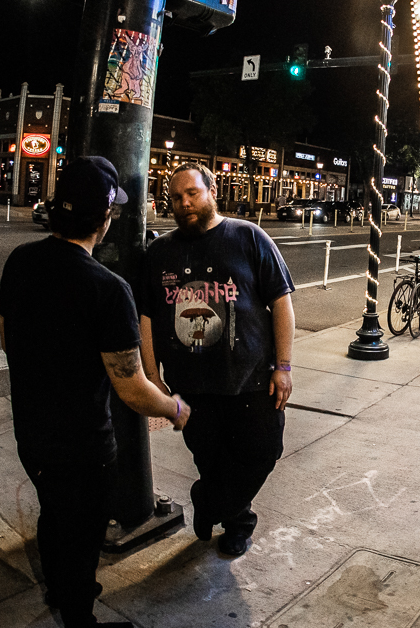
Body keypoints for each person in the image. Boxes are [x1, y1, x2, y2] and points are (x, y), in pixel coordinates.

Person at [0, 156, 190, 628]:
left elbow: (7, 335)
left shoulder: (21, 261)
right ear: (105, 218)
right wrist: (176, 407)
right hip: (84, 449)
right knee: (81, 538)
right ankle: (78, 615)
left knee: (53, 519)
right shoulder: (108, 289)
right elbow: (133, 390)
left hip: (32, 435)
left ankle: (61, 593)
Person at [139, 161, 295, 557]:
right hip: (192, 388)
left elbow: (281, 303)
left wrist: (284, 366)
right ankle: (237, 522)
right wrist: (153, 377)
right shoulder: (160, 252)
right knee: (210, 460)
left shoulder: (249, 237)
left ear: (211, 191)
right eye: (176, 197)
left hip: (252, 381)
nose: (184, 202)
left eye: (192, 193)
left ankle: (210, 503)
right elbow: (147, 317)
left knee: (262, 451)